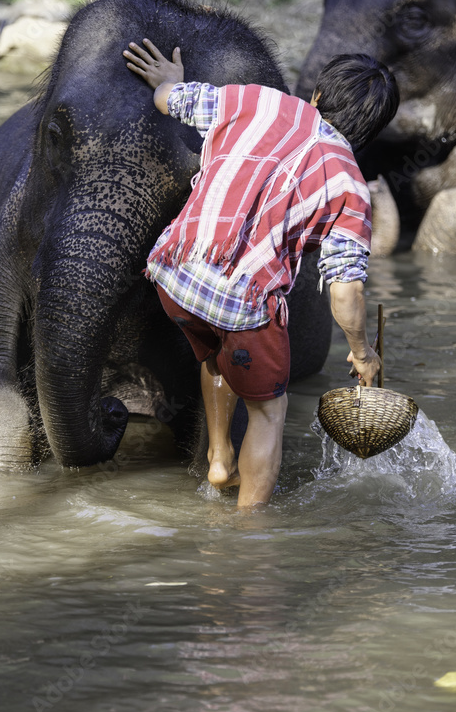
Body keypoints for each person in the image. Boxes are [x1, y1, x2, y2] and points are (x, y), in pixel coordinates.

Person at [123, 38, 400, 509]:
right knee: (269, 411)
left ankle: (219, 460)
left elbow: (171, 100)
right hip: (241, 304)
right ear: (368, 131)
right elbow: (346, 291)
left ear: (316, 95)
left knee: (216, 356)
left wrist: (167, 81)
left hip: (173, 274)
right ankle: (249, 536)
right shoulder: (350, 184)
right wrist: (363, 351)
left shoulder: (257, 99)